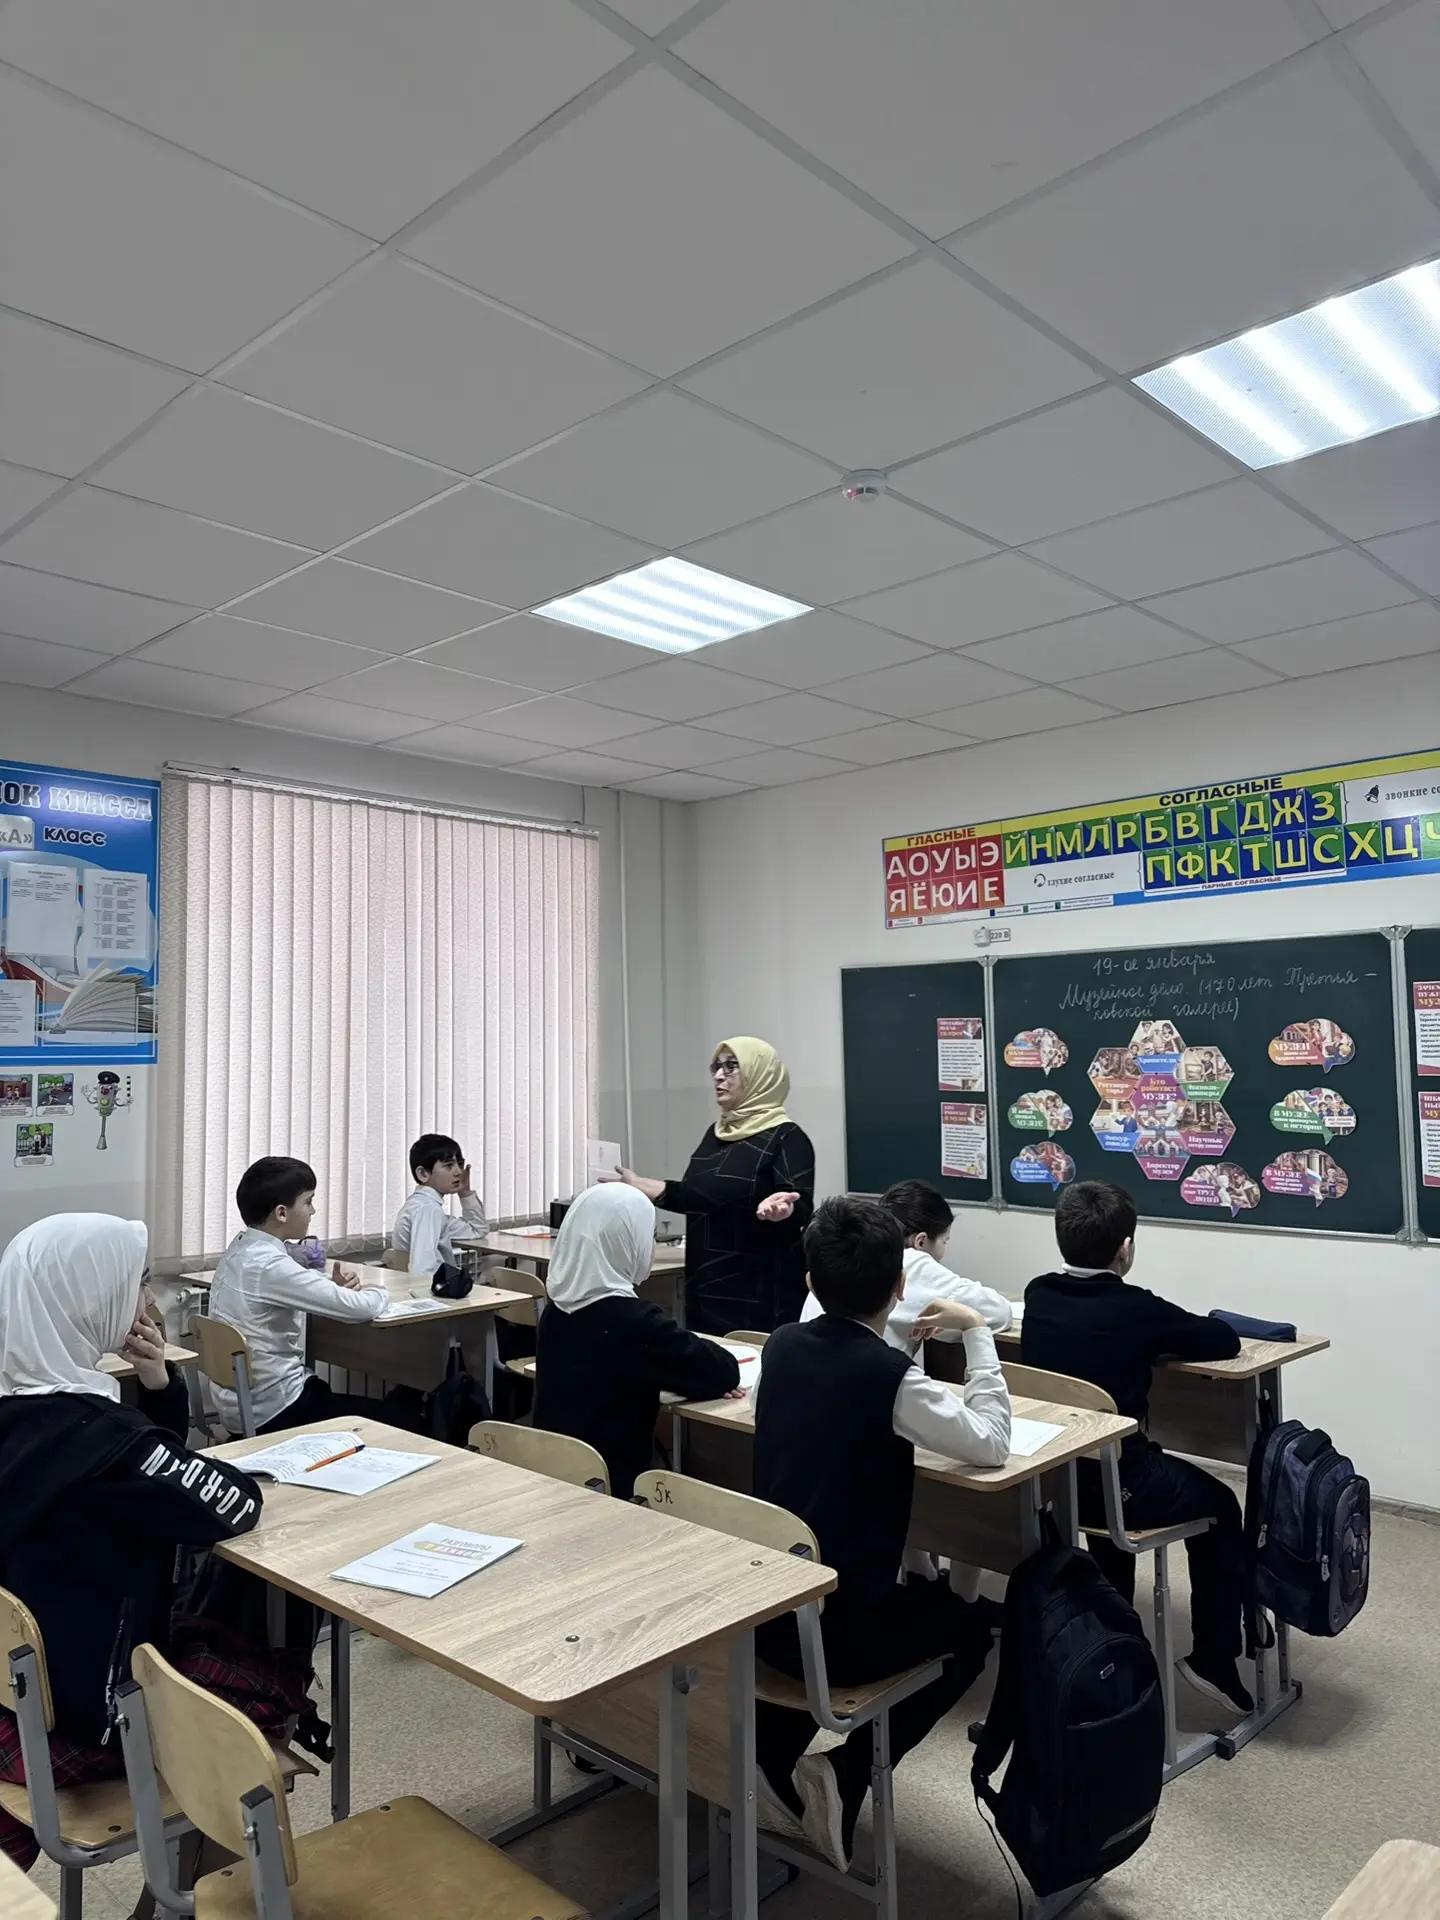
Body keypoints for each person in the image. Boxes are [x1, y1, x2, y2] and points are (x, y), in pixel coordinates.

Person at [0, 1214, 279, 1872]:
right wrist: (149, 1418)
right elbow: (232, 1502)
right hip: (97, 1709)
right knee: (266, 1690)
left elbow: (152, 1472)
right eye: (139, 1281)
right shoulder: (100, 1439)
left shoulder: (27, 1409)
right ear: (87, 1298)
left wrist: (156, 1382)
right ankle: (208, 1890)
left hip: (22, 1693)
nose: (149, 1300)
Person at [751, 1196, 1011, 1871]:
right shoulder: (890, 1377)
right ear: (901, 1286)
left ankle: (769, 1755)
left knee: (894, 1597)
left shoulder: (780, 1347)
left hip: (769, 1611)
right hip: (839, 1633)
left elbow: (827, 1392)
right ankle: (845, 1773)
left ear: (811, 1282)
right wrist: (976, 1332)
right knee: (970, 1632)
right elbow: (990, 1444)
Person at [1021, 1180, 1252, 1714]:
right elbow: (1222, 1340)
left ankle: (1113, 1647)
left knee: (1113, 1495)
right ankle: (1215, 1657)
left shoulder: (1039, 1293)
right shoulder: (1137, 1308)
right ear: (1125, 1249)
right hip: (1120, 1487)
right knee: (1222, 1505)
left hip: (1055, 1484)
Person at [533, 1184, 742, 1498]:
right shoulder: (635, 1321)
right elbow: (722, 1371)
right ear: (626, 1241)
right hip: (612, 1489)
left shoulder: (557, 1309)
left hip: (552, 1473)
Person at [617, 1037, 815, 1333]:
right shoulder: (717, 1134)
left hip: (760, 1292)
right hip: (706, 1285)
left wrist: (783, 1209)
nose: (719, 1076)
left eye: (732, 1066)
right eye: (717, 1067)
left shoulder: (787, 1137)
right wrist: (637, 1184)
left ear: (760, 1075)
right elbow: (697, 1196)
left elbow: (799, 1204)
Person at [208, 1156, 390, 1435]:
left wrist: (330, 1284)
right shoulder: (269, 1265)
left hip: (242, 1407)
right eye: (308, 1202)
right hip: (279, 1409)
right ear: (282, 1213)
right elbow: (360, 1308)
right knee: (407, 1421)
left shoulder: (241, 1249)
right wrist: (382, 1289)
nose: (313, 1210)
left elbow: (293, 1283)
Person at [800, 1178, 1011, 1356]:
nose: (943, 1252)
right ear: (921, 1241)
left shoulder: (838, 1259)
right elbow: (999, 1313)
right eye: (944, 1241)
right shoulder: (913, 1262)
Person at [392, 1133, 488, 1288]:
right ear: (423, 1174)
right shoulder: (427, 1209)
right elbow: (422, 1269)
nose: (458, 1172)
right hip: (433, 1293)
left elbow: (477, 1230)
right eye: (449, 1166)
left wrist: (465, 1192)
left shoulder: (423, 1206)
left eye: (460, 1164)